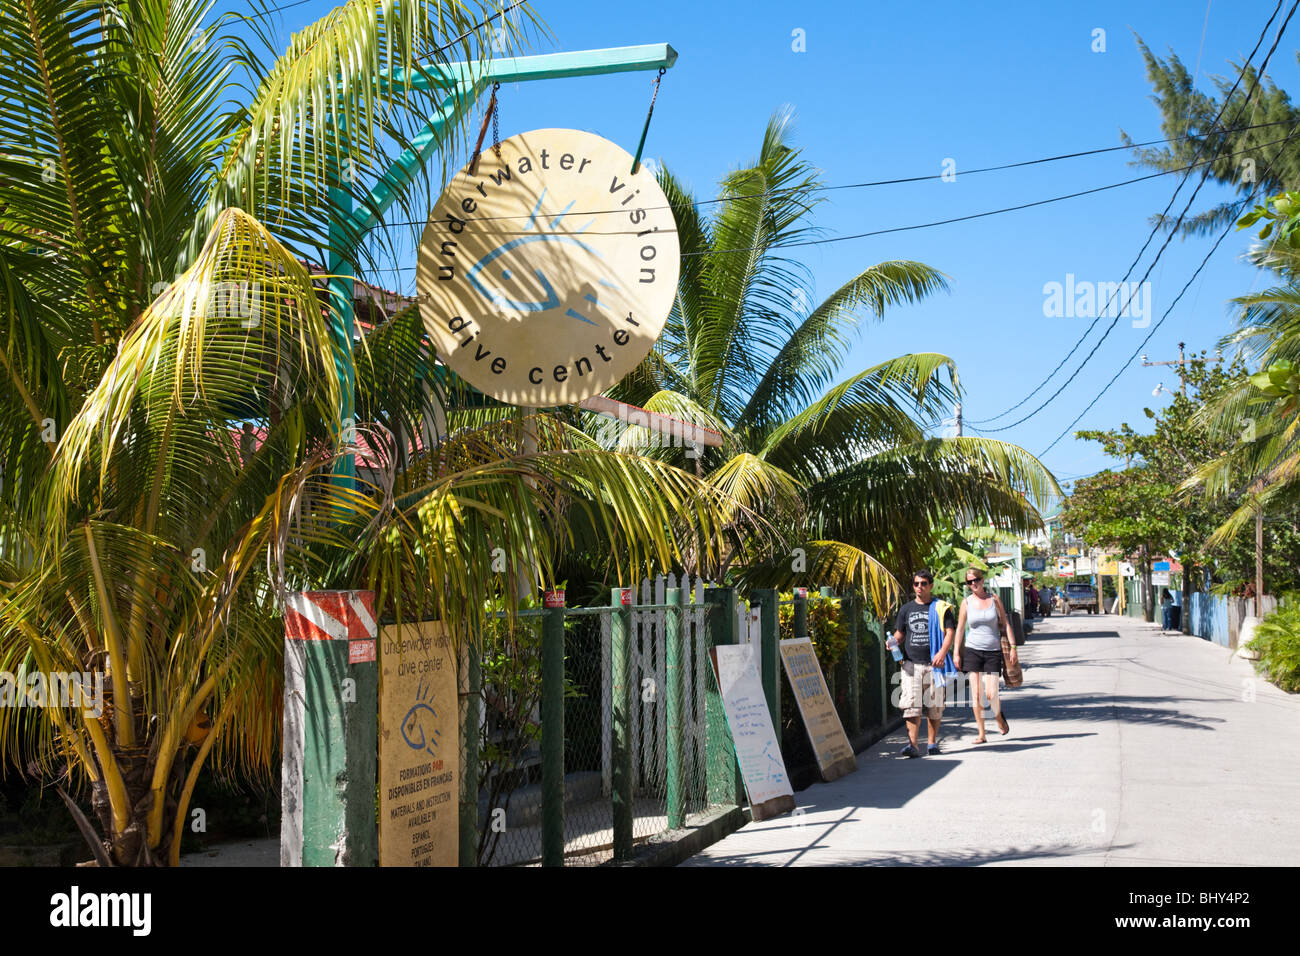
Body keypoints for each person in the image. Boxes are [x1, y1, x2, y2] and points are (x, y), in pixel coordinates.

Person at [892, 569, 957, 757]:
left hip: (934, 665)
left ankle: (931, 743)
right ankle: (913, 745)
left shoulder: (940, 608)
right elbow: (901, 633)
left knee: (934, 707)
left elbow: (950, 632)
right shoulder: (906, 609)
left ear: (931, 585)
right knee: (911, 705)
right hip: (911, 664)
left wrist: (942, 653)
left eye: (923, 584)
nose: (919, 587)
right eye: (916, 584)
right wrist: (893, 642)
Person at [954, 568, 1015, 743]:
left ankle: (998, 718)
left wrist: (1013, 647)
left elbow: (1006, 624)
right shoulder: (966, 603)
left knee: (991, 693)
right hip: (972, 650)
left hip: (993, 651)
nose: (973, 584)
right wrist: (957, 653)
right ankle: (981, 733)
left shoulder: (994, 600)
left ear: (982, 580)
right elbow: (960, 628)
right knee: (976, 695)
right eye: (969, 582)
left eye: (976, 580)